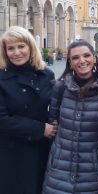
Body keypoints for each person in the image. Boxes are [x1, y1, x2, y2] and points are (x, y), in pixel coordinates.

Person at [42, 40, 98, 193]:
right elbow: (53, 123)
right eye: (75, 58)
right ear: (70, 62)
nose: (82, 61)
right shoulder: (60, 87)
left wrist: (90, 146)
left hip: (89, 167)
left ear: (94, 58)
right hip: (59, 167)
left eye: (86, 55)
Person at [0, 26, 56, 194]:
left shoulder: (46, 74)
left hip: (40, 150)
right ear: (5, 52)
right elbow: (2, 120)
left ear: (30, 47)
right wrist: (40, 129)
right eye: (11, 48)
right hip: (11, 151)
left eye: (21, 46)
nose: (17, 52)